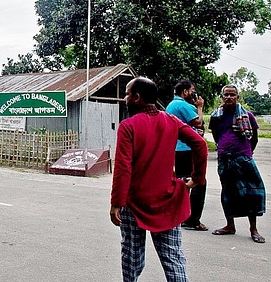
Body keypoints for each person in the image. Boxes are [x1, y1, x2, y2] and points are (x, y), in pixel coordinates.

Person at [110, 77, 207, 282]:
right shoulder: (170, 120)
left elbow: (123, 167)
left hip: (133, 203)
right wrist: (197, 178)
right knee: (173, 259)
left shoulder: (128, 126)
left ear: (137, 97)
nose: (125, 98)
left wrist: (116, 202)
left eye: (127, 94)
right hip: (166, 200)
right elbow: (200, 143)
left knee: (132, 256)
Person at [208, 84, 266, 244]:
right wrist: (223, 148)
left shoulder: (247, 116)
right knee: (228, 192)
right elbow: (216, 135)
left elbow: (253, 138)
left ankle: (253, 229)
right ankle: (230, 225)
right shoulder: (216, 116)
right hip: (225, 158)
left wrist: (247, 153)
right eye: (226, 95)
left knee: (252, 192)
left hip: (243, 158)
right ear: (222, 97)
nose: (228, 97)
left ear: (237, 97)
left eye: (232, 95)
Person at [165, 80, 208, 231]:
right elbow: (199, 123)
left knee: (183, 181)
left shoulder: (171, 105)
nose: (194, 94)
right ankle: (192, 219)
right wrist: (200, 107)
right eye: (192, 90)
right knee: (198, 181)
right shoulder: (182, 105)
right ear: (185, 91)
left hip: (177, 148)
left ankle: (180, 215)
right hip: (186, 148)